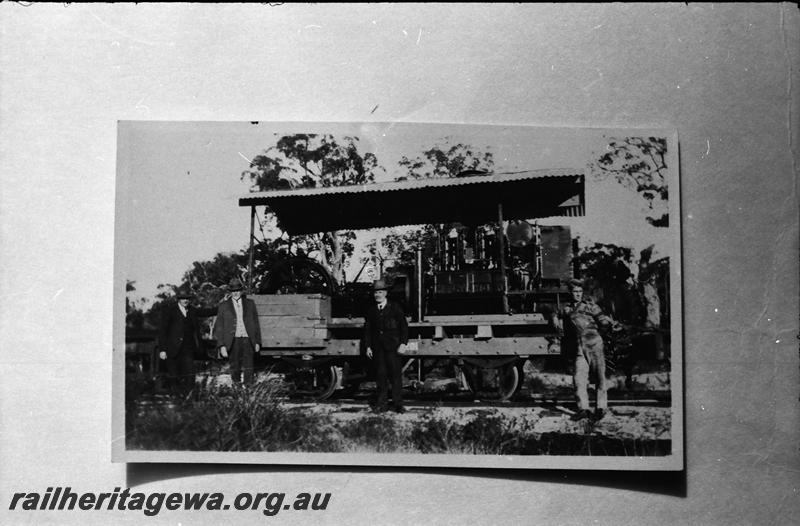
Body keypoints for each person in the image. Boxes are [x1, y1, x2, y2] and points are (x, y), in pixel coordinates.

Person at [554, 279, 619, 421]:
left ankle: (601, 408)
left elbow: (602, 319)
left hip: (594, 343)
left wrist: (607, 322)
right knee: (578, 378)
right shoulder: (567, 308)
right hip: (579, 347)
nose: (577, 294)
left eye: (579, 292)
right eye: (574, 292)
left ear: (582, 293)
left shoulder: (590, 306)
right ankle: (583, 409)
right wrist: (555, 320)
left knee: (600, 377)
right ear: (570, 293)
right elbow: (557, 314)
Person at [363, 279, 409, 413]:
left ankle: (398, 405)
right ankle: (382, 405)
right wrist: (368, 347)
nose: (378, 295)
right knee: (381, 376)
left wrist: (403, 343)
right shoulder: (371, 311)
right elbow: (368, 330)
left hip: (393, 347)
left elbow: (404, 327)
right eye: (376, 292)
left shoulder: (395, 307)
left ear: (386, 293)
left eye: (380, 292)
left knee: (395, 376)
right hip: (378, 349)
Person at [213, 278, 262, 386]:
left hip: (248, 340)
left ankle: (248, 390)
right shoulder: (224, 305)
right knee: (235, 368)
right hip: (233, 341)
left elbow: (256, 323)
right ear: (230, 292)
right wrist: (222, 346)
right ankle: (237, 390)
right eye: (233, 291)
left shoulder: (250, 303)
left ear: (241, 291)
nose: (236, 293)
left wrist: (257, 341)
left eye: (238, 291)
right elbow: (219, 327)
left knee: (249, 367)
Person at [157, 286, 201, 396]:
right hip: (172, 349)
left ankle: (188, 398)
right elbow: (163, 331)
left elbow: (206, 312)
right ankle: (176, 400)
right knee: (174, 376)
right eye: (183, 298)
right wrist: (162, 349)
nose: (185, 300)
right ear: (178, 299)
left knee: (190, 374)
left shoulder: (192, 310)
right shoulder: (170, 310)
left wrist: (224, 305)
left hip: (188, 349)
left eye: (187, 298)